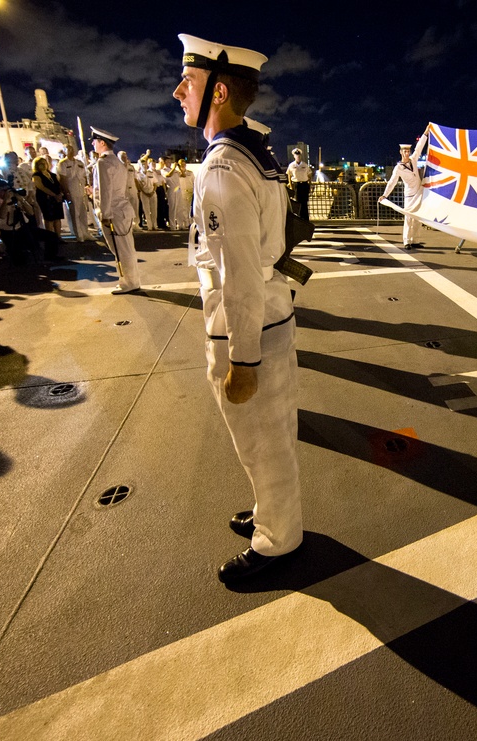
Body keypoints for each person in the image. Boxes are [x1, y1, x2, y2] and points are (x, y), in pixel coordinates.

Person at [174, 33, 302, 581]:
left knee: (261, 442)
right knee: (268, 437)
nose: (178, 90)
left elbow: (241, 274)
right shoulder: (254, 151)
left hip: (246, 329)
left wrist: (242, 359)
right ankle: (268, 512)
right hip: (271, 315)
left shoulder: (224, 168)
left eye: (191, 81)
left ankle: (279, 541)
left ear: (219, 91)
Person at [90, 127, 141, 294]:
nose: (93, 144)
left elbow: (105, 191)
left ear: (102, 143)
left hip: (113, 212)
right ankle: (132, 280)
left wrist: (104, 214)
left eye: (95, 141)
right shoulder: (118, 163)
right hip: (122, 209)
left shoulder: (103, 162)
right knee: (127, 248)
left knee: (120, 250)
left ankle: (128, 283)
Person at [378, 133, 428, 249]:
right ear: (401, 152)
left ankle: (415, 240)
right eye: (404, 151)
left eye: (408, 151)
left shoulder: (413, 160)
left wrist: (425, 134)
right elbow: (392, 182)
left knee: (417, 219)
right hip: (410, 195)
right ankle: (407, 241)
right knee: (409, 218)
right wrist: (385, 195)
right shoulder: (398, 168)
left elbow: (419, 147)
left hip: (418, 193)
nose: (407, 153)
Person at [0, 178, 35, 265]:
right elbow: (2, 215)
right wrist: (5, 200)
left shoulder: (14, 197)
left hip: (22, 226)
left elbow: (31, 212)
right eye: (3, 190)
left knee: (51, 237)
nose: (5, 192)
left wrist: (21, 199)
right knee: (20, 259)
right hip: (8, 231)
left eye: (7, 190)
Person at [57, 144, 91, 242]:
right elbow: (62, 179)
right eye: (68, 149)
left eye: (72, 149)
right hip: (71, 189)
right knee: (75, 213)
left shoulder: (79, 162)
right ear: (64, 151)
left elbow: (84, 176)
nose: (71, 151)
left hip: (81, 189)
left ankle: (86, 233)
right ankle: (79, 234)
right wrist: (66, 192)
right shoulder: (62, 163)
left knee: (83, 213)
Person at [285, 147, 312, 219]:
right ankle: (299, 218)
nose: (298, 157)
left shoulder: (305, 165)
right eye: (296, 156)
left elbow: (309, 175)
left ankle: (306, 219)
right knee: (298, 202)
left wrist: (309, 184)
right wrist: (290, 185)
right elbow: (289, 175)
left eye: (299, 156)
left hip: (304, 184)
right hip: (297, 185)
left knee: (305, 202)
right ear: (294, 156)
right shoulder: (291, 165)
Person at [137, 157, 159, 230]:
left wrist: (153, 192)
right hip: (144, 193)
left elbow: (155, 183)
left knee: (154, 210)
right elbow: (139, 186)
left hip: (152, 192)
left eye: (145, 164)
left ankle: (154, 225)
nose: (145, 166)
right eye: (143, 165)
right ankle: (149, 226)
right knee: (146, 210)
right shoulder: (139, 175)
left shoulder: (151, 173)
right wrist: (145, 193)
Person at [173, 158, 194, 229]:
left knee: (188, 208)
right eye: (181, 165)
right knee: (182, 208)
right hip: (181, 192)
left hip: (189, 191)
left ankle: (188, 222)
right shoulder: (177, 173)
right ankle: (185, 223)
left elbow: (194, 182)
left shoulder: (190, 173)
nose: (183, 166)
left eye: (184, 164)